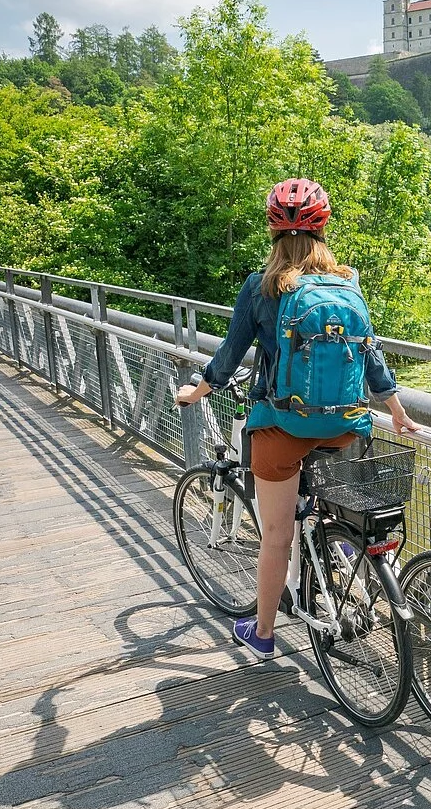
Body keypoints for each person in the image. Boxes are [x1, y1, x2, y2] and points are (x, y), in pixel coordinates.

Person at [176, 178, 415, 660]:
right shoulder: (348, 282)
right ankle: (346, 556)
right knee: (338, 502)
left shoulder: (262, 286)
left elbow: (230, 354)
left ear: (271, 229)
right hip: (346, 424)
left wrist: (197, 390)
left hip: (283, 427)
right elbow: (370, 352)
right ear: (323, 227)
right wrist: (395, 408)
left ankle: (263, 634)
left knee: (278, 535)